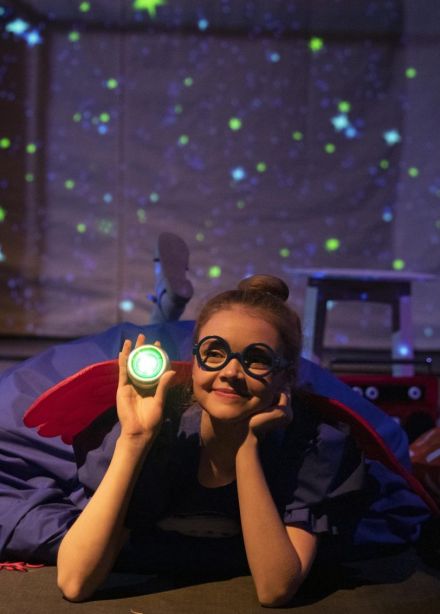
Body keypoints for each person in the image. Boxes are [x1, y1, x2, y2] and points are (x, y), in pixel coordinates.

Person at [55, 274, 367, 605]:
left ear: (285, 376)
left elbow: (275, 588)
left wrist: (247, 448)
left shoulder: (311, 446)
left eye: (257, 359)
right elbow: (75, 582)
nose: (230, 372)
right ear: (194, 362)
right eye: (214, 353)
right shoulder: (166, 428)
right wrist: (134, 438)